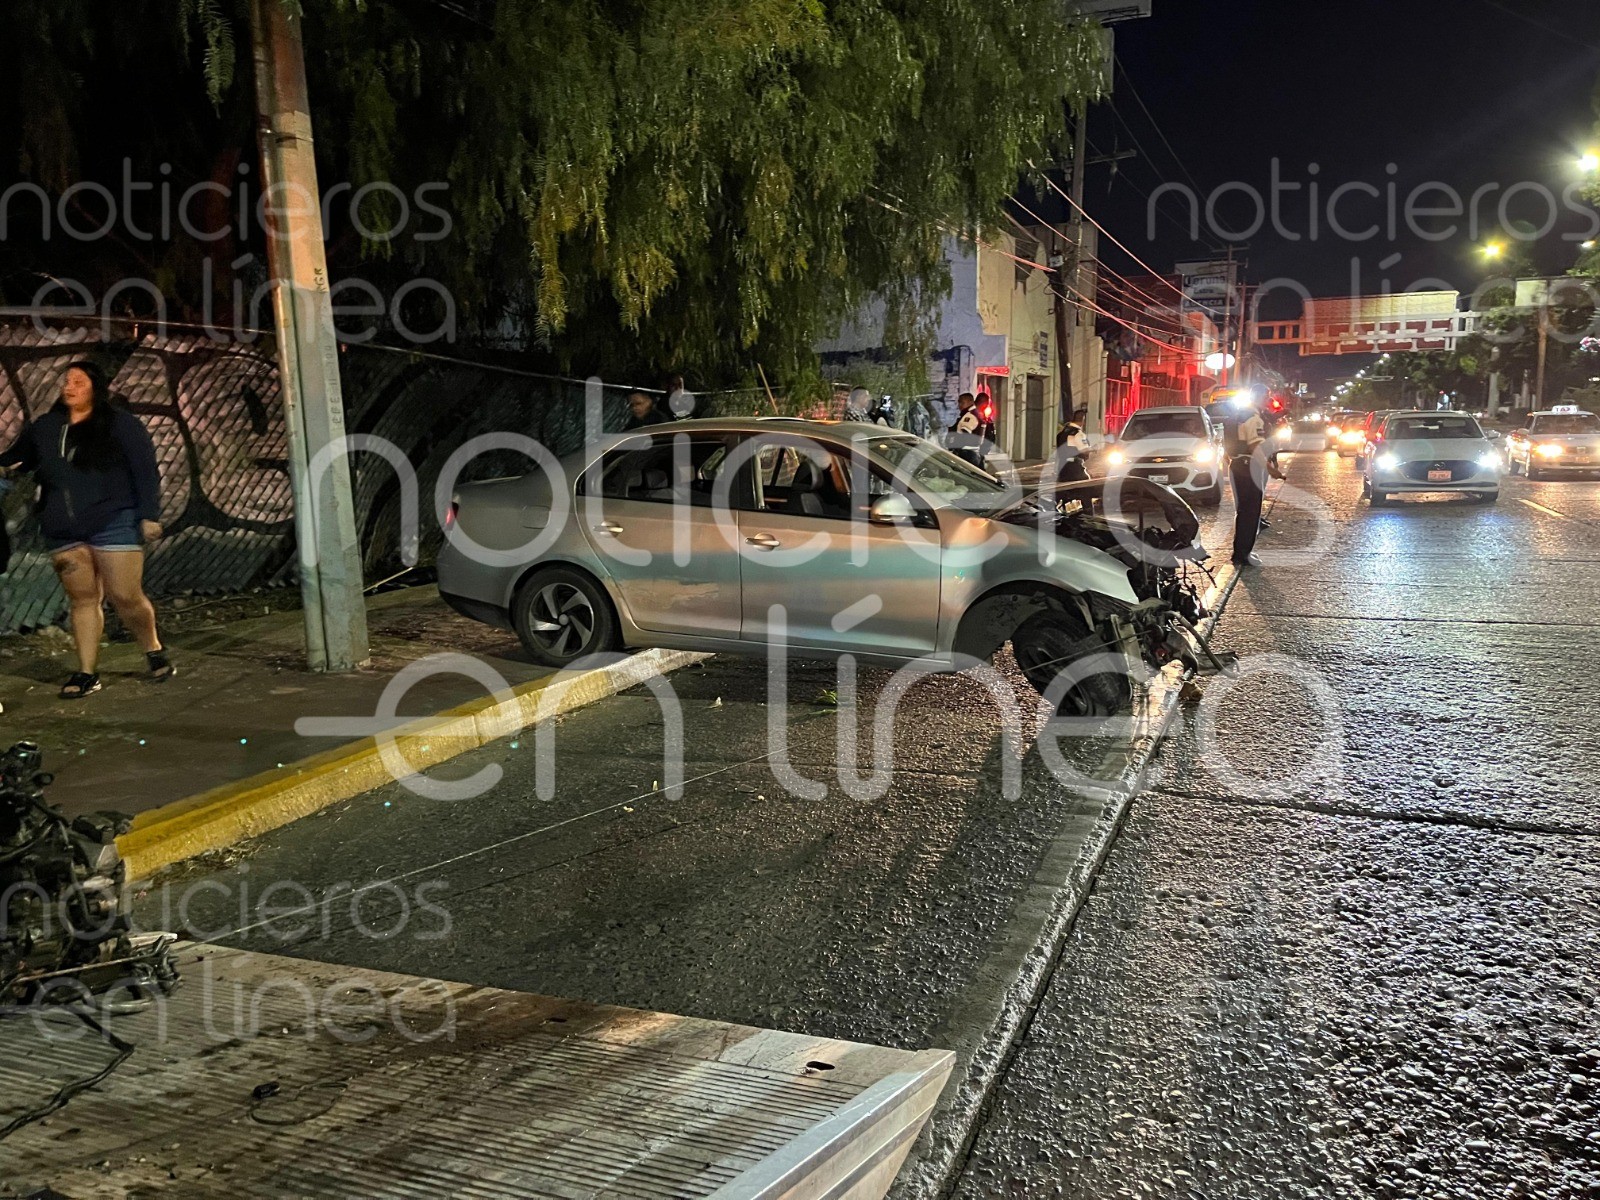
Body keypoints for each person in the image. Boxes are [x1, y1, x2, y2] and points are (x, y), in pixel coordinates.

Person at [0, 360, 171, 697]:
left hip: (113, 521)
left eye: (78, 381)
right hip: (62, 528)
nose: (70, 386)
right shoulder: (45, 427)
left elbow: (145, 470)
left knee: (125, 596)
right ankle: (86, 673)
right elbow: (15, 460)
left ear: (96, 386)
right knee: (82, 600)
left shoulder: (121, 425)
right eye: (66, 381)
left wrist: (149, 514)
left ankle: (152, 648)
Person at [1222, 399, 1285, 567]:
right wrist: (1270, 469)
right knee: (1251, 512)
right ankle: (1243, 554)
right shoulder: (1254, 418)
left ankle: (1240, 552)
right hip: (1251, 467)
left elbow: (1226, 448)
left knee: (1243, 511)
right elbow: (1255, 445)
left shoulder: (1234, 418)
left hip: (1236, 465)